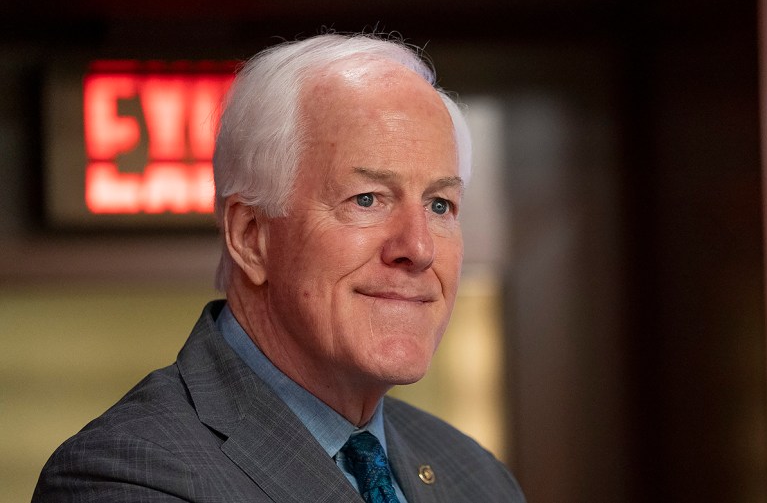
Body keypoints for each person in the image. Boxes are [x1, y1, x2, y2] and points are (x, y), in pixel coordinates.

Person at [33, 33, 526, 502]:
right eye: (368, 199)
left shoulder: (474, 475)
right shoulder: (125, 475)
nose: (418, 248)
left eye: (440, 205)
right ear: (251, 237)